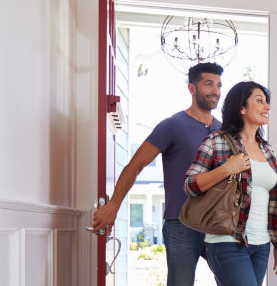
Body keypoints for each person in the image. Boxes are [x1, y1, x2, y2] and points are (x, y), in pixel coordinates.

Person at [90, 62, 225, 286]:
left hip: (218, 224)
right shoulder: (172, 125)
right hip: (181, 224)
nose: (216, 91)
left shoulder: (223, 130)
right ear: (192, 88)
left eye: (219, 85)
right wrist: (113, 205)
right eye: (209, 84)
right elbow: (135, 165)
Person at [183, 81, 277, 285]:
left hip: (261, 245)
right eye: (259, 101)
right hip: (227, 242)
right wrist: (226, 169)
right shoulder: (216, 141)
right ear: (241, 108)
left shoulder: (267, 150)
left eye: (267, 102)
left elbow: (273, 204)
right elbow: (190, 184)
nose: (267, 107)